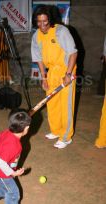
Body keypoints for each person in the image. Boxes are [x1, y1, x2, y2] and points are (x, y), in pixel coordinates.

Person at [31, 5, 77, 149]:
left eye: (45, 22)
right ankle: (56, 131)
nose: (42, 25)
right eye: (39, 22)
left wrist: (68, 74)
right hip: (51, 72)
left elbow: (73, 53)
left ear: (50, 20)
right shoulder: (36, 36)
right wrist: (43, 78)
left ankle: (66, 137)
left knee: (66, 105)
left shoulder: (61, 31)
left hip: (66, 70)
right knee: (52, 102)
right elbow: (38, 58)